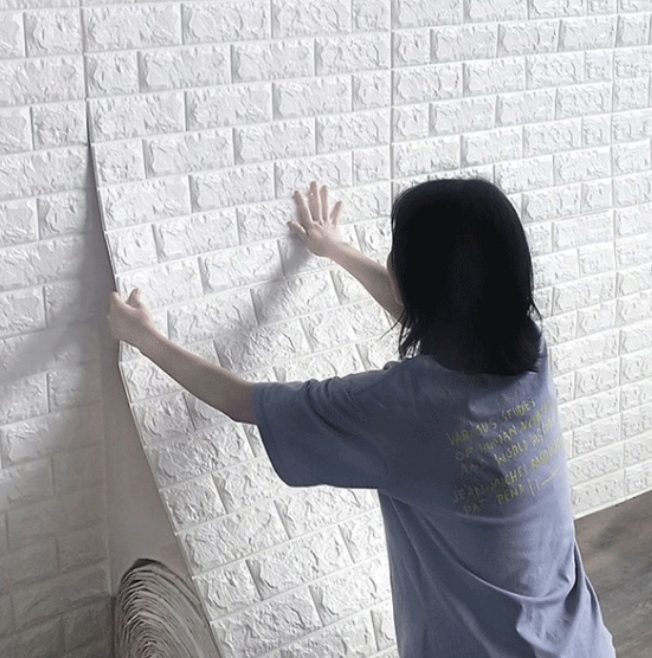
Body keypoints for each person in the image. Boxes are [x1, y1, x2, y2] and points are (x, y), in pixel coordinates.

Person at [108, 178, 616, 658]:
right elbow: (433, 315)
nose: (390, 260)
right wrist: (336, 249)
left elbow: (243, 402)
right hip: (580, 641)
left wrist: (145, 338)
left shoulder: (403, 410)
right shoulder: (526, 352)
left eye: (396, 251)